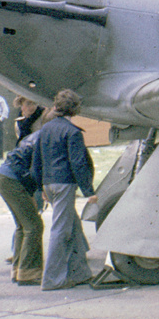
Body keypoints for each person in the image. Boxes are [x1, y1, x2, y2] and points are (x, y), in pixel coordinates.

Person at [31, 90, 97, 290]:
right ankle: (52, 279)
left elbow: (37, 160)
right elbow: (78, 163)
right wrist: (88, 191)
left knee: (73, 227)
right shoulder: (73, 132)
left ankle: (80, 273)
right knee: (61, 230)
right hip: (64, 184)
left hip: (49, 184)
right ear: (76, 109)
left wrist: (40, 186)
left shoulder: (45, 128)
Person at [0, 130, 44, 286]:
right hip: (12, 180)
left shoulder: (35, 136)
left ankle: (18, 269)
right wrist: (35, 193)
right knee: (34, 226)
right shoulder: (45, 140)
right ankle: (28, 272)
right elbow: (34, 170)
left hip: (4, 177)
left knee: (23, 226)